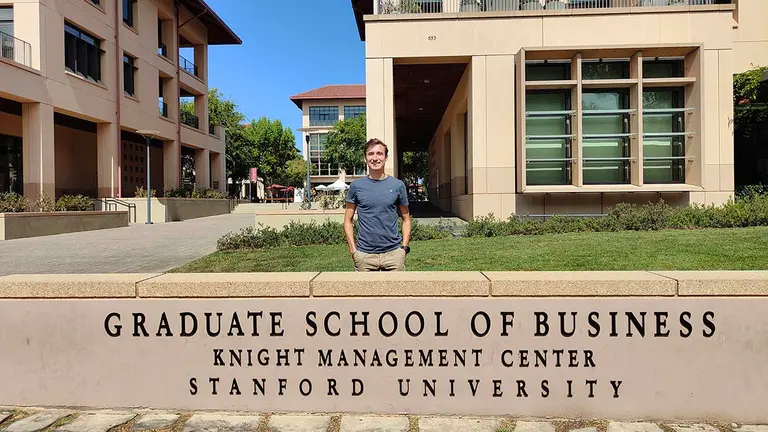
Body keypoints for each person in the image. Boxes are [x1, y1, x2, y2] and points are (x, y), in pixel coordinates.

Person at [344, 138, 411, 271]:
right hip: (364, 256)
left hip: (393, 255)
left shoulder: (397, 185)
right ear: (365, 158)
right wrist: (353, 251)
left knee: (396, 292)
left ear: (386, 157)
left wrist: (403, 249)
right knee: (363, 292)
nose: (375, 158)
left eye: (379, 154)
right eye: (371, 154)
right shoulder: (356, 186)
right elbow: (348, 220)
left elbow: (406, 219)